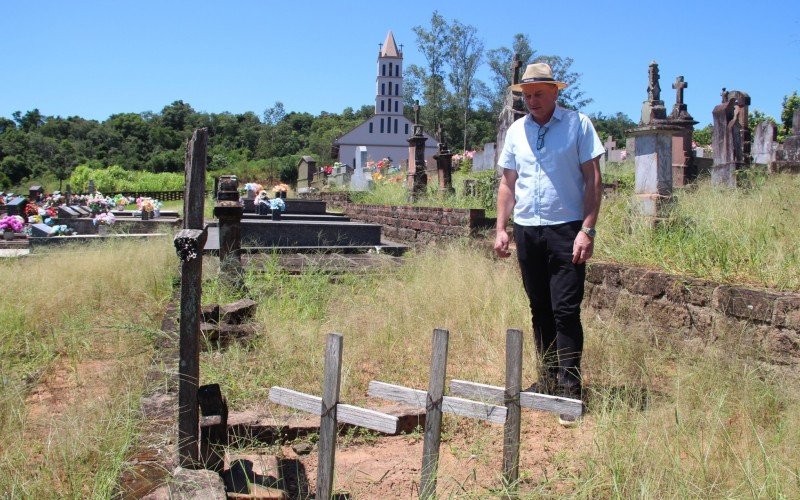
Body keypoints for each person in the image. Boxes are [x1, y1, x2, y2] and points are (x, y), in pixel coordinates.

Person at [494, 63, 604, 426]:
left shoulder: (578, 125)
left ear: (556, 92)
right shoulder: (516, 131)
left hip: (566, 229)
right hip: (528, 230)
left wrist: (587, 229)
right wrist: (501, 228)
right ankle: (547, 378)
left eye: (539, 94)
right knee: (539, 307)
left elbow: (593, 179)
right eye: (526, 95)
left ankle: (570, 388)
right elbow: (509, 184)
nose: (532, 101)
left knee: (565, 309)